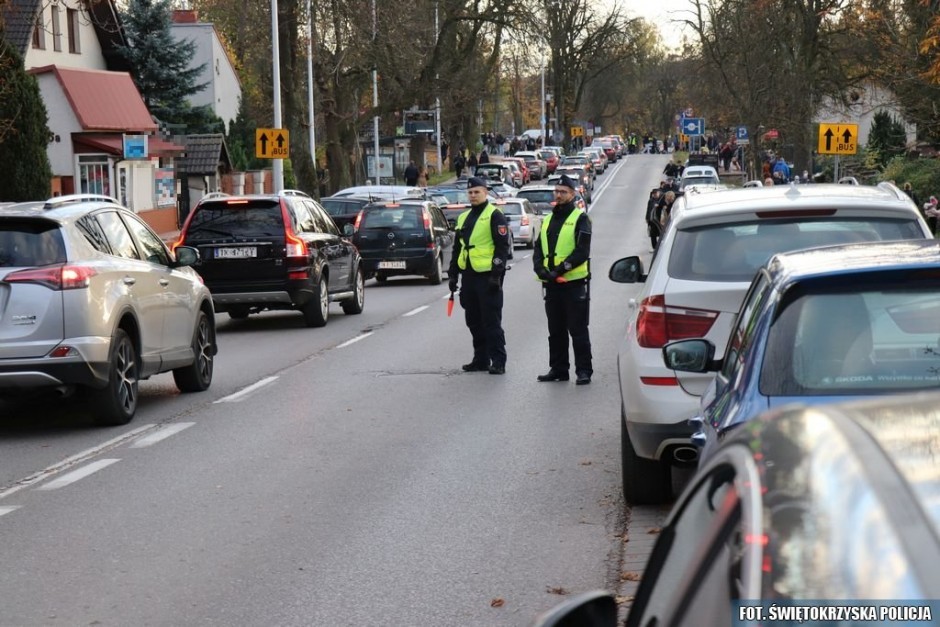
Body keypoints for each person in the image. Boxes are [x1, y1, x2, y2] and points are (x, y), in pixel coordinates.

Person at [532, 175, 593, 385]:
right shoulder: (548, 219)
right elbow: (539, 248)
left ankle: (584, 370)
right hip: (551, 284)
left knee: (577, 330)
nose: (559, 195)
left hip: (573, 283)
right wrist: (540, 269)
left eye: (563, 192)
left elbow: (582, 251)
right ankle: (558, 369)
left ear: (573, 194)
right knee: (555, 330)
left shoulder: (581, 218)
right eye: (557, 191)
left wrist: (559, 270)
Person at [448, 177, 511, 375]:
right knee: (473, 320)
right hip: (469, 275)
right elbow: (458, 248)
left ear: (485, 192)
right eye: (470, 193)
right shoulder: (464, 217)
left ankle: (498, 360)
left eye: (477, 192)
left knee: (491, 321)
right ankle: (481, 359)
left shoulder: (494, 215)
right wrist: (452, 275)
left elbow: (502, 248)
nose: (473, 196)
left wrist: (496, 274)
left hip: (487, 277)